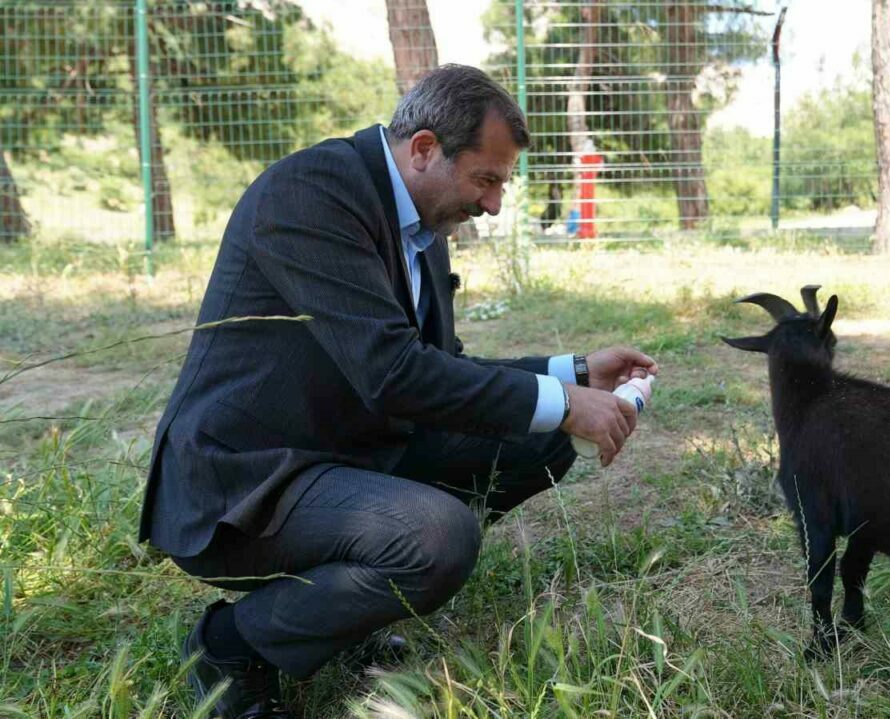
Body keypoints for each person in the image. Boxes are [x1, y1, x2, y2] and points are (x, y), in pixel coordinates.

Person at [139, 64, 657, 718]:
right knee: (436, 537)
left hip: (344, 446)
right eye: (487, 179)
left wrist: (574, 372)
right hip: (245, 479)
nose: (494, 203)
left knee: (539, 441)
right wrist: (565, 400)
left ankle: (349, 601)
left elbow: (442, 367)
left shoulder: (422, 223)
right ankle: (230, 643)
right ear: (423, 150)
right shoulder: (312, 192)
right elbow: (392, 371)